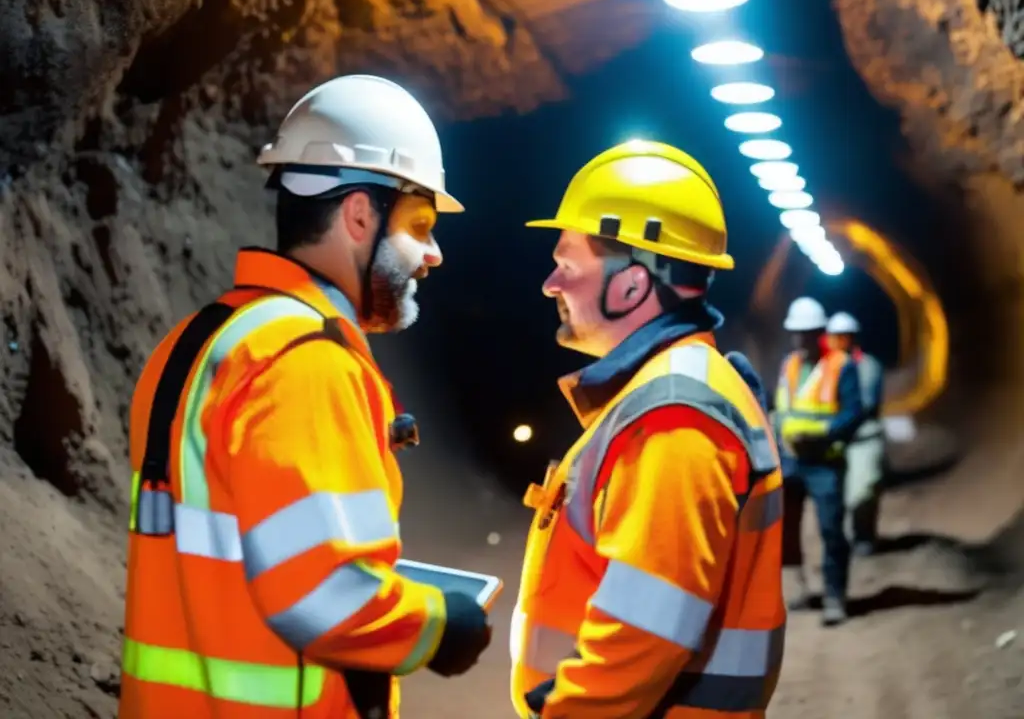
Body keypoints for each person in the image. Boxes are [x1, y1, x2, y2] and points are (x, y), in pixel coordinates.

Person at [119, 75, 492, 719]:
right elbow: (320, 593)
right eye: (421, 225)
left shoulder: (200, 340)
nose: (433, 254)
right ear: (358, 217)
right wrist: (440, 622)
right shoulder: (306, 363)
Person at [509, 140, 786, 718]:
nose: (550, 285)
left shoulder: (675, 417)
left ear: (633, 286)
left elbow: (643, 633)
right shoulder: (672, 385)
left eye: (567, 263)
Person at [774, 297, 864, 626]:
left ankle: (834, 597)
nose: (801, 338)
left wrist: (823, 435)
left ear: (820, 332)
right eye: (796, 332)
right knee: (785, 531)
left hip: (825, 462)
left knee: (830, 530)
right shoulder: (790, 365)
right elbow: (783, 408)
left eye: (807, 332)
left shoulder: (841, 365)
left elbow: (854, 413)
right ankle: (799, 589)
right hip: (792, 461)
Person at [826, 311, 886, 556]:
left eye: (844, 336)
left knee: (863, 493)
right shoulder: (826, 367)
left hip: (863, 438)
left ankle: (864, 535)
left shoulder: (868, 366)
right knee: (835, 496)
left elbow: (865, 405)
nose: (839, 341)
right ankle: (839, 541)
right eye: (835, 336)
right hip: (835, 438)